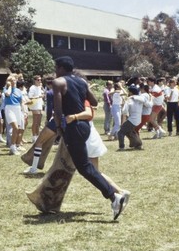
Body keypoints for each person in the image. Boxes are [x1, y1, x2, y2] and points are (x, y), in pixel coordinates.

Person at [52, 56, 129, 220]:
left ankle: (114, 197)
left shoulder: (58, 83)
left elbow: (57, 110)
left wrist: (59, 129)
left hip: (72, 127)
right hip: (85, 127)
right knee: (86, 166)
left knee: (84, 167)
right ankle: (115, 194)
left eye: (56, 67)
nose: (55, 71)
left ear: (60, 68)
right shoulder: (81, 82)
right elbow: (93, 101)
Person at [118, 85, 146, 150]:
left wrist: (123, 121)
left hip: (132, 119)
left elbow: (124, 111)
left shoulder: (129, 99)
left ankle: (121, 147)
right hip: (138, 119)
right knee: (129, 131)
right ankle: (138, 144)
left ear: (131, 92)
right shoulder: (140, 99)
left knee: (121, 132)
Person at [4, 74, 24, 155]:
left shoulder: (19, 91)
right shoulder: (6, 89)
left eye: (14, 80)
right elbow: (8, 94)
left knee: (18, 128)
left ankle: (13, 146)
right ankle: (12, 147)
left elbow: (21, 102)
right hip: (9, 108)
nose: (13, 82)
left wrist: (23, 112)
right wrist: (9, 86)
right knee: (15, 127)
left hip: (17, 108)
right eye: (11, 80)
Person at [28, 75, 44, 143]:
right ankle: (34, 136)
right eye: (38, 80)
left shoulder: (40, 87)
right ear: (35, 80)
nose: (39, 81)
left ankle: (37, 135)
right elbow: (30, 97)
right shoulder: (32, 87)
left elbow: (42, 94)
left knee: (39, 122)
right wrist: (38, 96)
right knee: (35, 121)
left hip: (39, 105)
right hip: (34, 105)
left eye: (40, 80)